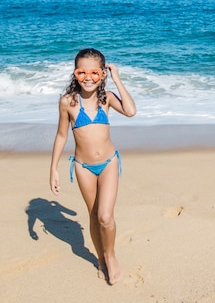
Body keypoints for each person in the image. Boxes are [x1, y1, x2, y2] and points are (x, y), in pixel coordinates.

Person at [49, 48, 136, 285]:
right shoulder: (68, 102)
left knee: (106, 216)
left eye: (94, 73)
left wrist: (117, 79)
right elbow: (60, 136)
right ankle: (99, 257)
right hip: (83, 167)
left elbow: (130, 111)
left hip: (108, 163)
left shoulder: (106, 97)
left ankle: (110, 255)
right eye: (82, 72)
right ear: (75, 73)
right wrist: (53, 169)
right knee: (94, 215)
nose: (88, 77)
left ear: (102, 74)